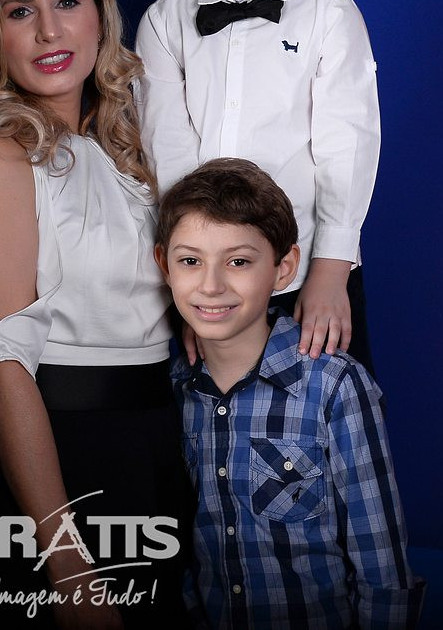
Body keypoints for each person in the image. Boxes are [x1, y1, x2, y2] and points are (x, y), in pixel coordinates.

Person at [0, 0, 190, 627]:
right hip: (65, 459)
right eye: (20, 11)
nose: (50, 32)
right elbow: (1, 371)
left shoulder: (125, 143)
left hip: (154, 446)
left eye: (66, 2)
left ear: (98, 12)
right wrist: (67, 563)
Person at [136, 0, 381, 373]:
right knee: (216, 414)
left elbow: (347, 144)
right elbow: (167, 153)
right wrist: (191, 280)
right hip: (209, 279)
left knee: (326, 407)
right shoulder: (165, 20)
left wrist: (331, 269)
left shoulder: (330, 12)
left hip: (309, 268)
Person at [155, 158, 423, 628]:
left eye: (239, 262)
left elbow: (383, 568)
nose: (211, 286)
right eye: (190, 261)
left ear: (284, 268)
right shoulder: (177, 389)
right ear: (165, 265)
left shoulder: (334, 387)